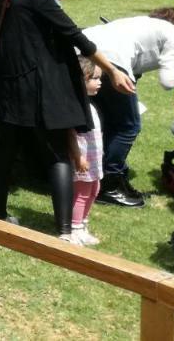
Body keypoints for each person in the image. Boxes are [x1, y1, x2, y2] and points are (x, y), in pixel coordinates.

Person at [0, 0, 133, 239]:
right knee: (57, 154)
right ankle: (65, 231)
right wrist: (112, 71)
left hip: (6, 80)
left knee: (5, 149)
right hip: (36, 85)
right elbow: (73, 34)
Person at [82, 9, 174, 207]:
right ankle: (109, 185)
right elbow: (167, 79)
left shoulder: (141, 23)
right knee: (128, 126)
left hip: (83, 50)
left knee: (104, 119)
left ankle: (100, 174)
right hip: (110, 59)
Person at [69, 57, 104, 246]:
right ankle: (75, 229)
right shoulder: (77, 107)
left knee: (94, 190)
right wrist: (78, 156)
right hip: (83, 158)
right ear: (81, 80)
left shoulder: (89, 105)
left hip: (94, 158)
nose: (99, 82)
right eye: (95, 78)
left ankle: (83, 224)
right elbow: (71, 135)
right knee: (82, 193)